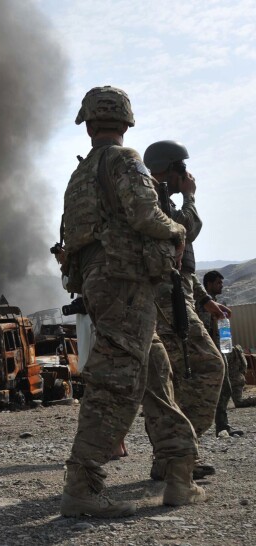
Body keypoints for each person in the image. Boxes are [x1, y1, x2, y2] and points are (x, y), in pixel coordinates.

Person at [57, 86, 204, 518]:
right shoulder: (124, 160)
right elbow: (145, 214)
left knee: (155, 372)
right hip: (126, 283)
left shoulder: (79, 175)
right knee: (115, 382)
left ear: (87, 123)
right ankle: (82, 485)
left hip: (101, 287)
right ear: (126, 121)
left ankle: (181, 472)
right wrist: (176, 231)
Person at [140, 141, 226, 479]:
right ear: (172, 169)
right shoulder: (155, 197)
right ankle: (176, 455)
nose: (187, 175)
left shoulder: (160, 198)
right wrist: (191, 197)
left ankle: (175, 457)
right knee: (206, 367)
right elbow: (187, 232)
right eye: (182, 169)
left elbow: (183, 265)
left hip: (179, 293)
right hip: (166, 300)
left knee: (173, 380)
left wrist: (205, 300)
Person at [199, 270, 254, 433]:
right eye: (218, 283)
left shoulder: (214, 304)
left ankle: (221, 426)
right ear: (209, 284)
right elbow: (202, 328)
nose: (221, 285)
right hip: (207, 352)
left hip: (217, 349)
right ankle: (214, 427)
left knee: (223, 388)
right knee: (220, 389)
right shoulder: (202, 304)